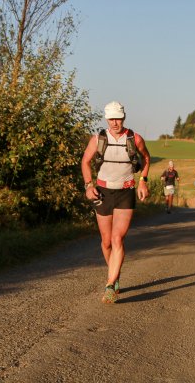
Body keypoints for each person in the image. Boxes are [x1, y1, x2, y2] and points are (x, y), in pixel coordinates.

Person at [81, 101, 151, 304]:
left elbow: (146, 159)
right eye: (111, 118)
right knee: (106, 241)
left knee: (117, 238)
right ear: (106, 118)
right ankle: (115, 273)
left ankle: (110, 285)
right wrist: (88, 185)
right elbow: (85, 161)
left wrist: (143, 181)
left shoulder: (134, 138)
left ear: (124, 118)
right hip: (102, 192)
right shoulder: (98, 139)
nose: (115, 123)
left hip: (125, 191)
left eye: (118, 118)